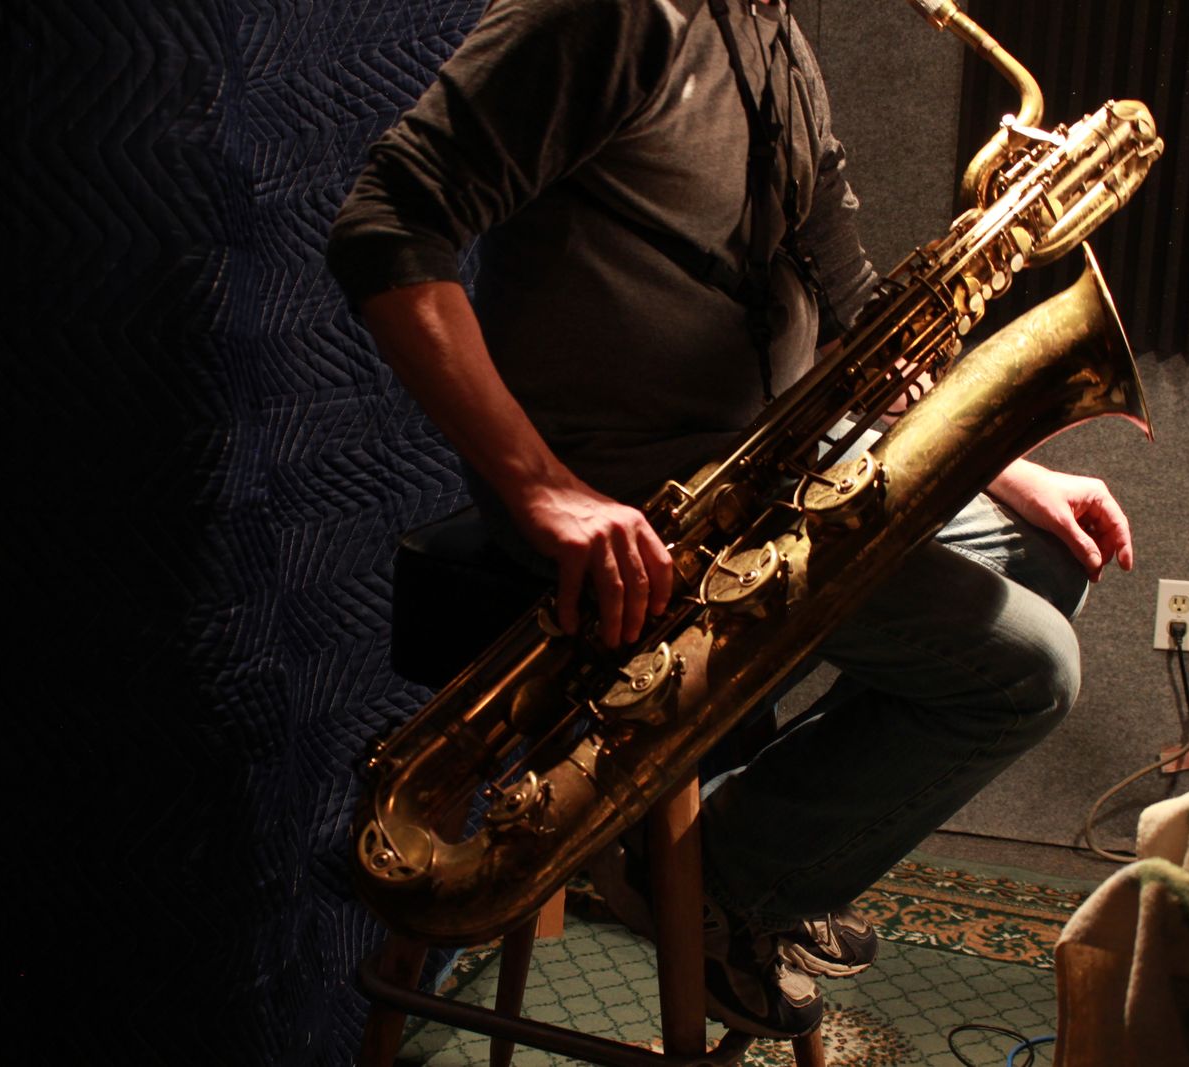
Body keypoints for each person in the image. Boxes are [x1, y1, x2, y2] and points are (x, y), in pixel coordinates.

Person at [329, 0, 1133, 1039]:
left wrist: (1010, 470)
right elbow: (387, 220)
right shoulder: (606, 17)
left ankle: (771, 853)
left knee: (1046, 554)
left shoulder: (775, 37)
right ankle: (713, 882)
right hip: (625, 484)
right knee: (1030, 671)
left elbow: (854, 309)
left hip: (770, 454)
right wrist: (542, 487)